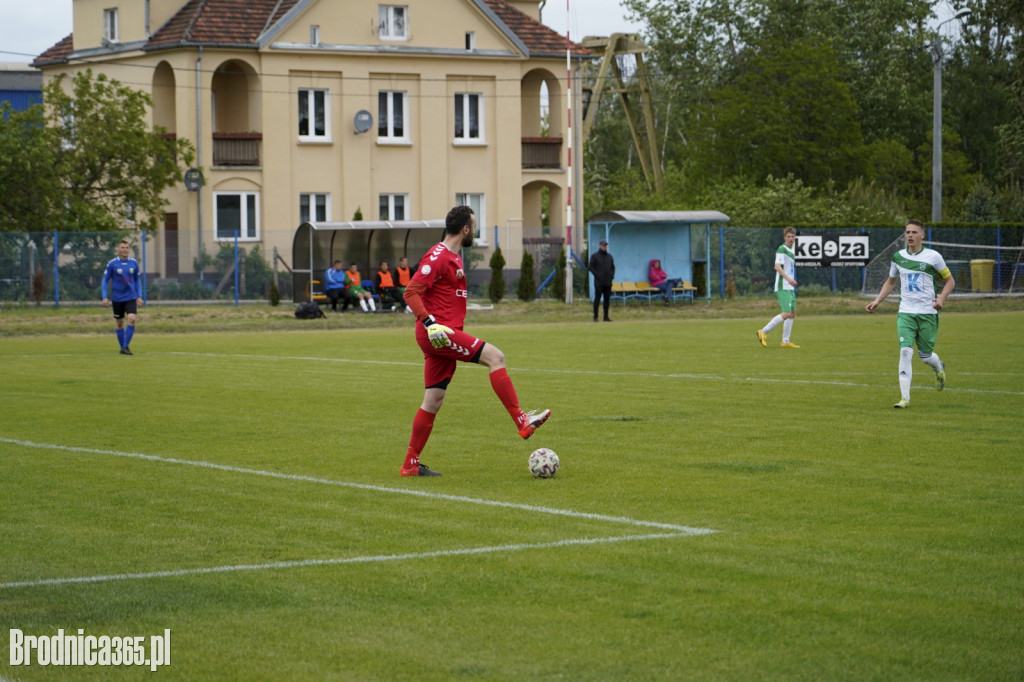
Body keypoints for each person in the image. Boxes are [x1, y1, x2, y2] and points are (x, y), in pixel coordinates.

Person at [400, 205, 550, 476]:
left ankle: (410, 464)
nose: (477, 230)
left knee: (433, 400)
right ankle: (521, 421)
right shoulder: (438, 257)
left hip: (438, 334)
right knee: (496, 356)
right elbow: (411, 292)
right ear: (466, 229)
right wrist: (430, 322)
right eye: (475, 226)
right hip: (438, 333)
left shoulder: (454, 257)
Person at [865, 219, 954, 408]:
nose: (910, 236)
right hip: (905, 312)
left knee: (925, 356)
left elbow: (950, 281)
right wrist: (877, 300)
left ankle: (939, 368)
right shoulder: (898, 257)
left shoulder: (933, 257)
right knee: (905, 351)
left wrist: (941, 299)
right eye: (907, 232)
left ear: (922, 235)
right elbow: (891, 282)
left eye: (914, 232)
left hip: (927, 313)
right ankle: (904, 398)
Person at [756, 227, 800, 348]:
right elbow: (777, 267)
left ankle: (785, 342)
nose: (791, 239)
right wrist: (789, 279)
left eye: (792, 236)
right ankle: (763, 332)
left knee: (792, 313)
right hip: (783, 286)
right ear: (784, 237)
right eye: (788, 236)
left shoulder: (792, 250)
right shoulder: (782, 249)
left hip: (789, 287)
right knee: (786, 313)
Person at [101, 239, 144, 355]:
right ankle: (123, 348)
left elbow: (137, 280)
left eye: (126, 247)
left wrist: (139, 296)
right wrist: (105, 297)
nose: (125, 249)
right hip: (117, 298)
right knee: (119, 323)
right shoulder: (112, 264)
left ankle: (125, 347)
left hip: (130, 297)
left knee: (132, 319)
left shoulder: (134, 263)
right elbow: (105, 280)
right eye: (122, 247)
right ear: (118, 250)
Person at [588, 239, 615, 322]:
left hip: (608, 282)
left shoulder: (609, 257)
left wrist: (611, 275)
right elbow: (591, 267)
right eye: (603, 245)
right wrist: (597, 275)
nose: (604, 247)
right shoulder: (594, 256)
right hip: (599, 282)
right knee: (597, 299)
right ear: (600, 246)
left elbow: (612, 267)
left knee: (607, 300)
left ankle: (606, 317)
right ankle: (595, 317)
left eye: (606, 245)